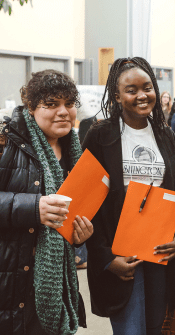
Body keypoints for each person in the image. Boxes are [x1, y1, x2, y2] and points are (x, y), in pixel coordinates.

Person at [82, 57, 175, 335]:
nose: (142, 95)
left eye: (147, 87)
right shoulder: (100, 135)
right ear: (117, 96)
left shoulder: (165, 134)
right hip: (121, 256)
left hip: (160, 253)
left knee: (157, 328)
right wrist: (106, 258)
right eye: (131, 90)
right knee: (130, 330)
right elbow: (86, 203)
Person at [0, 69, 94, 334]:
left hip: (53, 285)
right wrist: (33, 208)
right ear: (31, 107)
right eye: (51, 104)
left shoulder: (74, 152)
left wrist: (79, 235)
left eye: (68, 103)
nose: (63, 111)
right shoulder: (5, 143)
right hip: (10, 283)